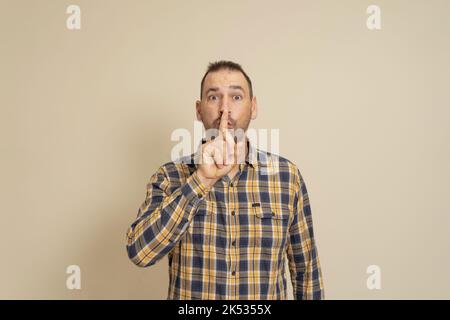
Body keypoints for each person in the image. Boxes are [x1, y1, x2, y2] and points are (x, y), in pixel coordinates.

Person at [126, 60, 324, 300]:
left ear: (253, 107)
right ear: (199, 110)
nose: (224, 109)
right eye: (213, 97)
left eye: (236, 97)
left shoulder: (286, 177)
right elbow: (140, 253)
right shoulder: (169, 177)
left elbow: (306, 272)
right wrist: (200, 180)